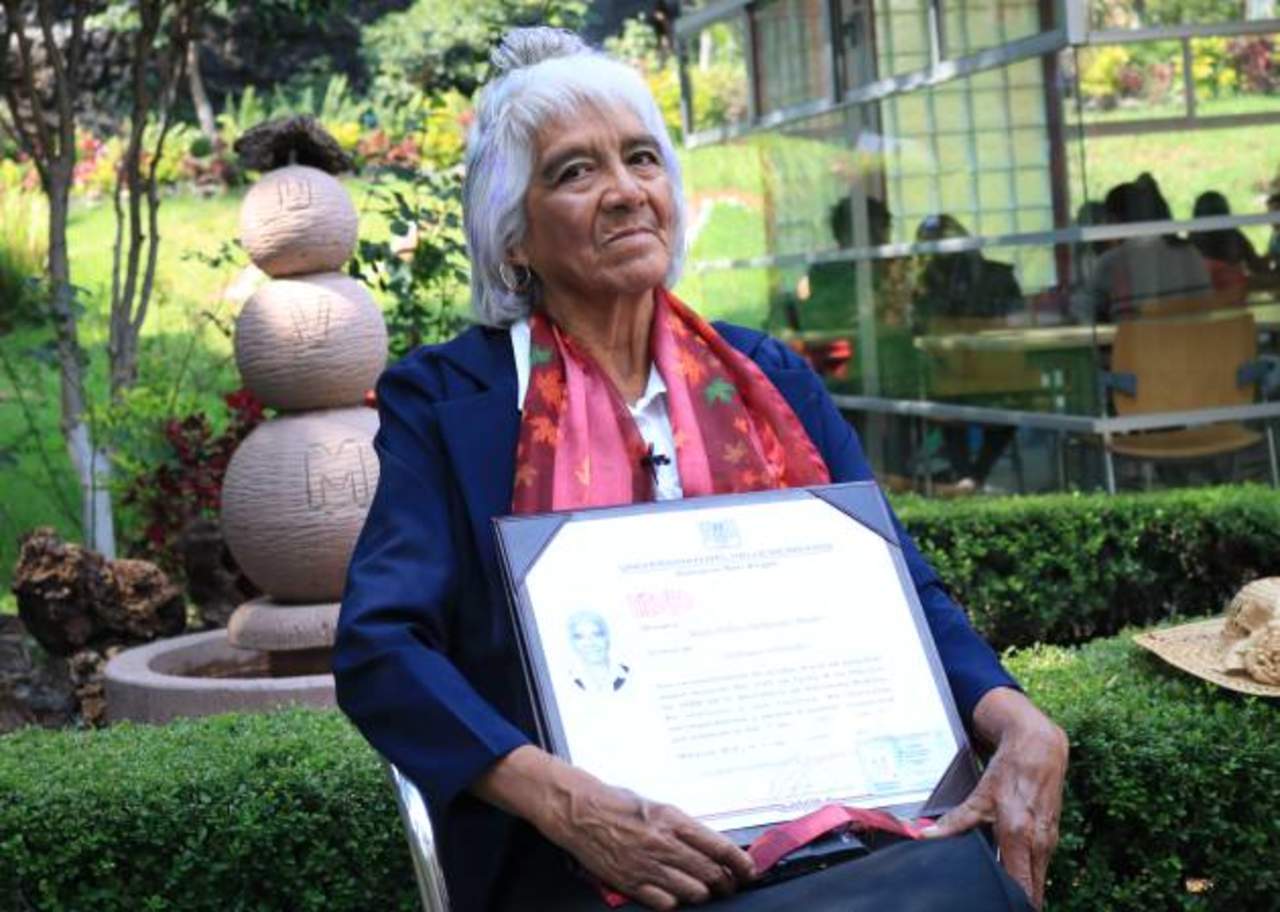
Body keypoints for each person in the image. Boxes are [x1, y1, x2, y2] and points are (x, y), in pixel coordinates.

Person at [334, 27, 1067, 912]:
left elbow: (898, 587)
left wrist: (1015, 715)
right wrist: (569, 805)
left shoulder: (770, 378)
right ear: (513, 237)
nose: (626, 191)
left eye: (642, 159)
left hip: (834, 831)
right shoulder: (451, 404)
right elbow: (381, 650)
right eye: (574, 172)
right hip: (587, 861)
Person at [912, 215, 1023, 490]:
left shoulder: (996, 277)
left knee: (1010, 403)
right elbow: (919, 328)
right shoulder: (926, 285)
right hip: (952, 372)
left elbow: (1016, 322)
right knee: (949, 401)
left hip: (994, 372)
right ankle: (970, 477)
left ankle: (970, 478)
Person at [1076, 173, 1211, 323]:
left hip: (1136, 338)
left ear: (1114, 221)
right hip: (1192, 337)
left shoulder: (1111, 262)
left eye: (1106, 221)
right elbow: (1206, 308)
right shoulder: (1190, 253)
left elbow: (1084, 314)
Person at [1189, 190, 1273, 301]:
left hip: (1204, 301)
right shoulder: (1234, 236)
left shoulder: (1192, 240)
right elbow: (1257, 266)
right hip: (1234, 298)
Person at [567, 611, 630, 693]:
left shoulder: (629, 673)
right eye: (580, 637)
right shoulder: (568, 680)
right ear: (572, 644)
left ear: (607, 637)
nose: (590, 643)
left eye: (597, 635)